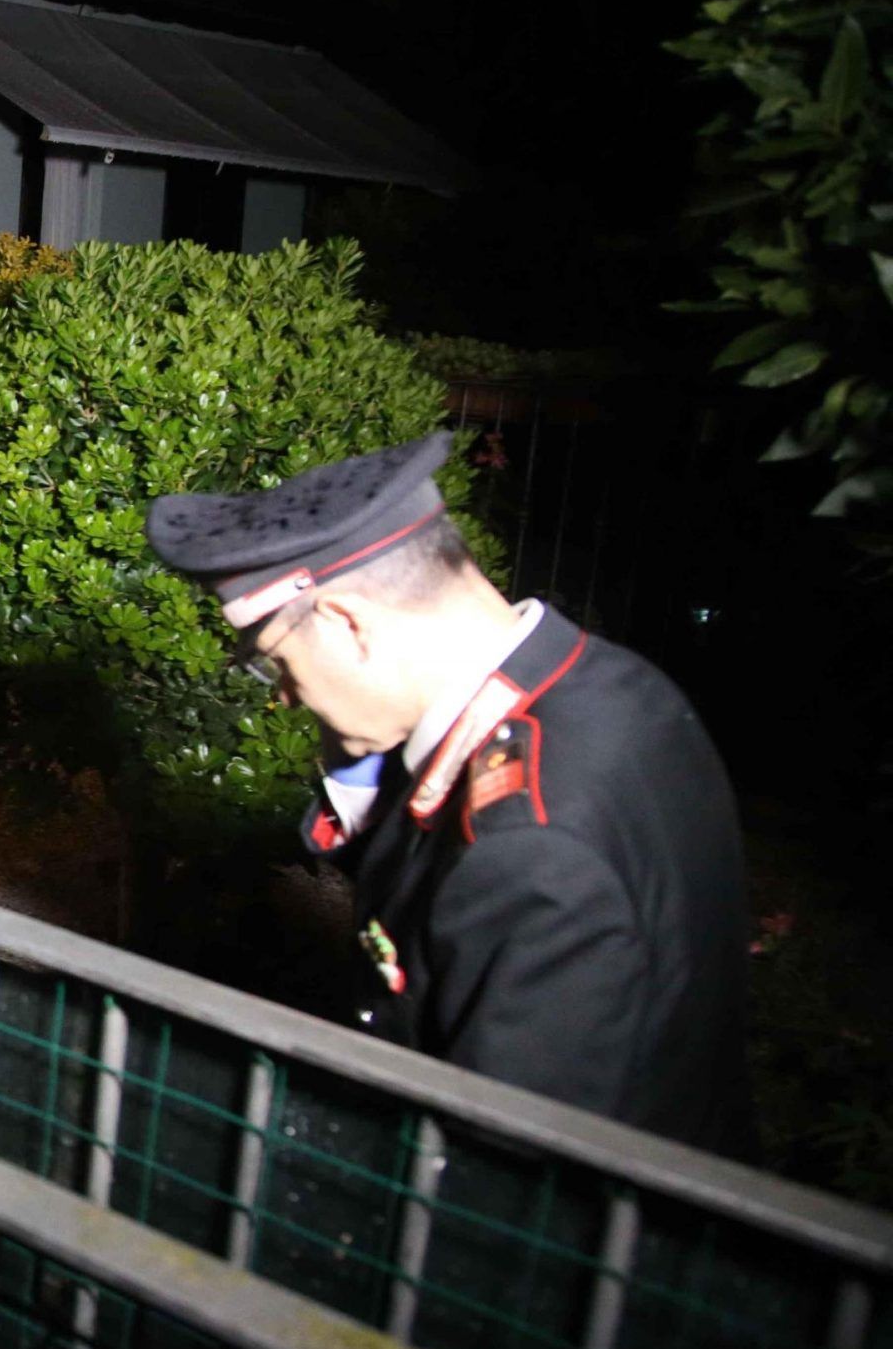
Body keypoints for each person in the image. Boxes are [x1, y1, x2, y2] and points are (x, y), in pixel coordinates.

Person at [146, 432, 752, 1154]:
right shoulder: (608, 685)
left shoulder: (526, 848)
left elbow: (503, 1160)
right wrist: (360, 756)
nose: (284, 695)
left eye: (274, 660)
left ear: (344, 622)